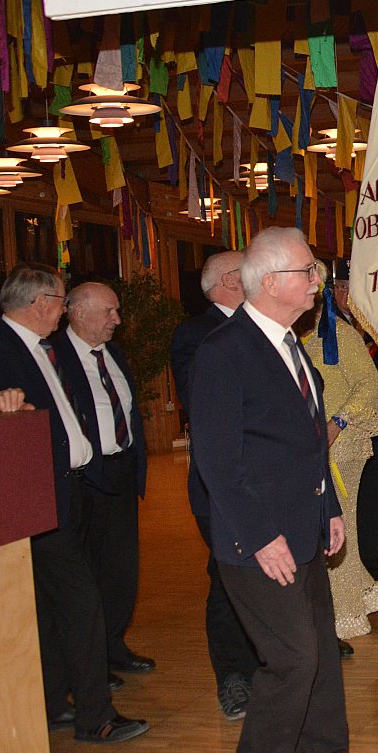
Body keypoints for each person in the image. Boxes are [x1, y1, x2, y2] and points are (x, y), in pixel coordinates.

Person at [191, 228, 378, 753]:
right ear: (271, 282)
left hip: (303, 529)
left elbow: (306, 443)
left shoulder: (289, 344)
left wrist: (329, 508)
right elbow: (217, 462)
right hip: (257, 545)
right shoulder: (224, 353)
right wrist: (261, 537)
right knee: (293, 660)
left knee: (321, 652)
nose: (316, 281)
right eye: (308, 271)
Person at [0, 264, 148, 744]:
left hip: (69, 491)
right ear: (40, 303)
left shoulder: (44, 347)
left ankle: (54, 703)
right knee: (82, 605)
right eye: (60, 301)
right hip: (36, 499)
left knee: (54, 608)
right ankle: (96, 717)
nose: (63, 310)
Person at [171, 250, 261, 720]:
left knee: (264, 577)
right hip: (221, 485)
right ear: (230, 280)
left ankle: (265, 665)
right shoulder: (197, 335)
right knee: (227, 578)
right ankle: (232, 677)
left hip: (267, 482)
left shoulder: (262, 328)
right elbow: (205, 403)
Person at [51, 282, 152, 678]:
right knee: (87, 574)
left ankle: (113, 646)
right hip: (86, 479)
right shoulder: (56, 357)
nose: (117, 320)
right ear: (78, 312)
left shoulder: (114, 355)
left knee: (121, 569)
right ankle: (89, 661)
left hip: (121, 474)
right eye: (109, 311)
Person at [301, 269, 378, 639]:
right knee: (328, 530)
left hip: (342, 447)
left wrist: (338, 422)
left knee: (337, 528)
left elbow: (369, 385)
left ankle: (346, 612)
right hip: (308, 449)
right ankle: (363, 592)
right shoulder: (292, 335)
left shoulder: (338, 333)